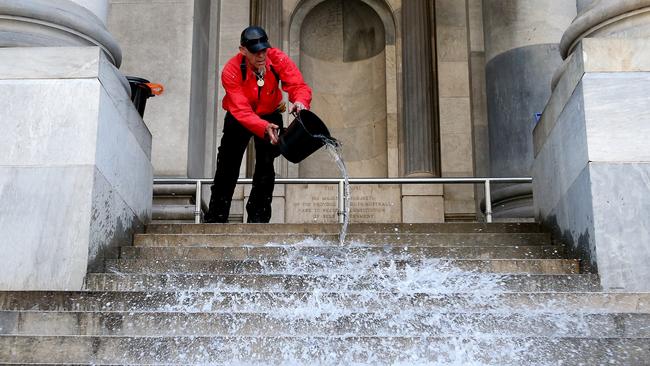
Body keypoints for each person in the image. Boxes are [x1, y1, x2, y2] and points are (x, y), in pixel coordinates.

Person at [204, 26, 312, 223]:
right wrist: (263, 127)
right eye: (256, 52)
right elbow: (241, 109)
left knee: (266, 166)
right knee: (227, 166)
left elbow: (298, 85)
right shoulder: (231, 70)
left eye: (264, 49)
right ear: (243, 50)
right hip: (239, 117)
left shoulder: (277, 58)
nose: (262, 55)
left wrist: (300, 102)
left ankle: (259, 218)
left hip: (271, 113)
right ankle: (216, 218)